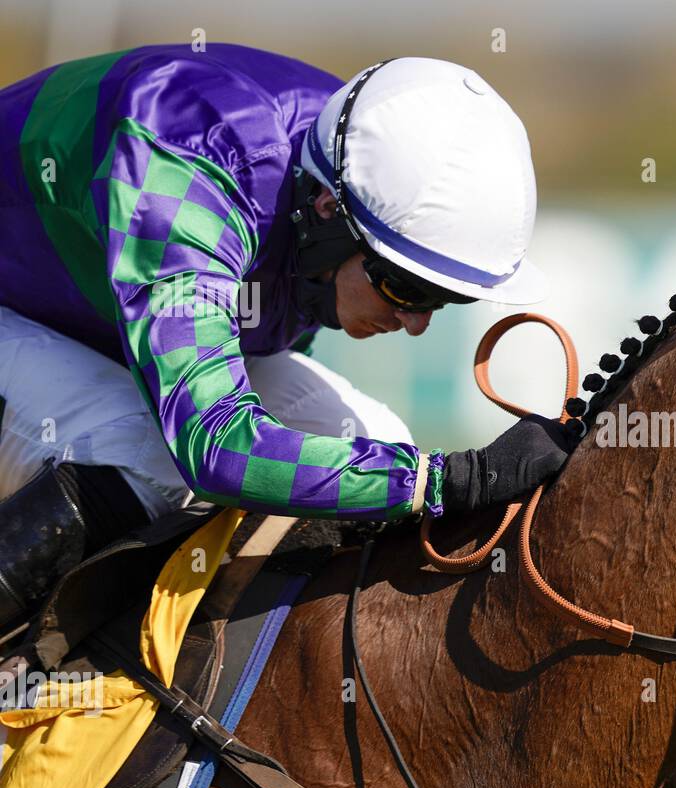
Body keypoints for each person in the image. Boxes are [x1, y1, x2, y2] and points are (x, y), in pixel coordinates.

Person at [0, 46, 574, 634]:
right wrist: (444, 481)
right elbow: (217, 447)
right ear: (328, 212)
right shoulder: (189, 163)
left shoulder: (351, 166)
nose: (417, 322)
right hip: (14, 311)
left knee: (375, 440)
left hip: (80, 316)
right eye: (406, 288)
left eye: (445, 297)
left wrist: (425, 480)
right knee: (148, 457)